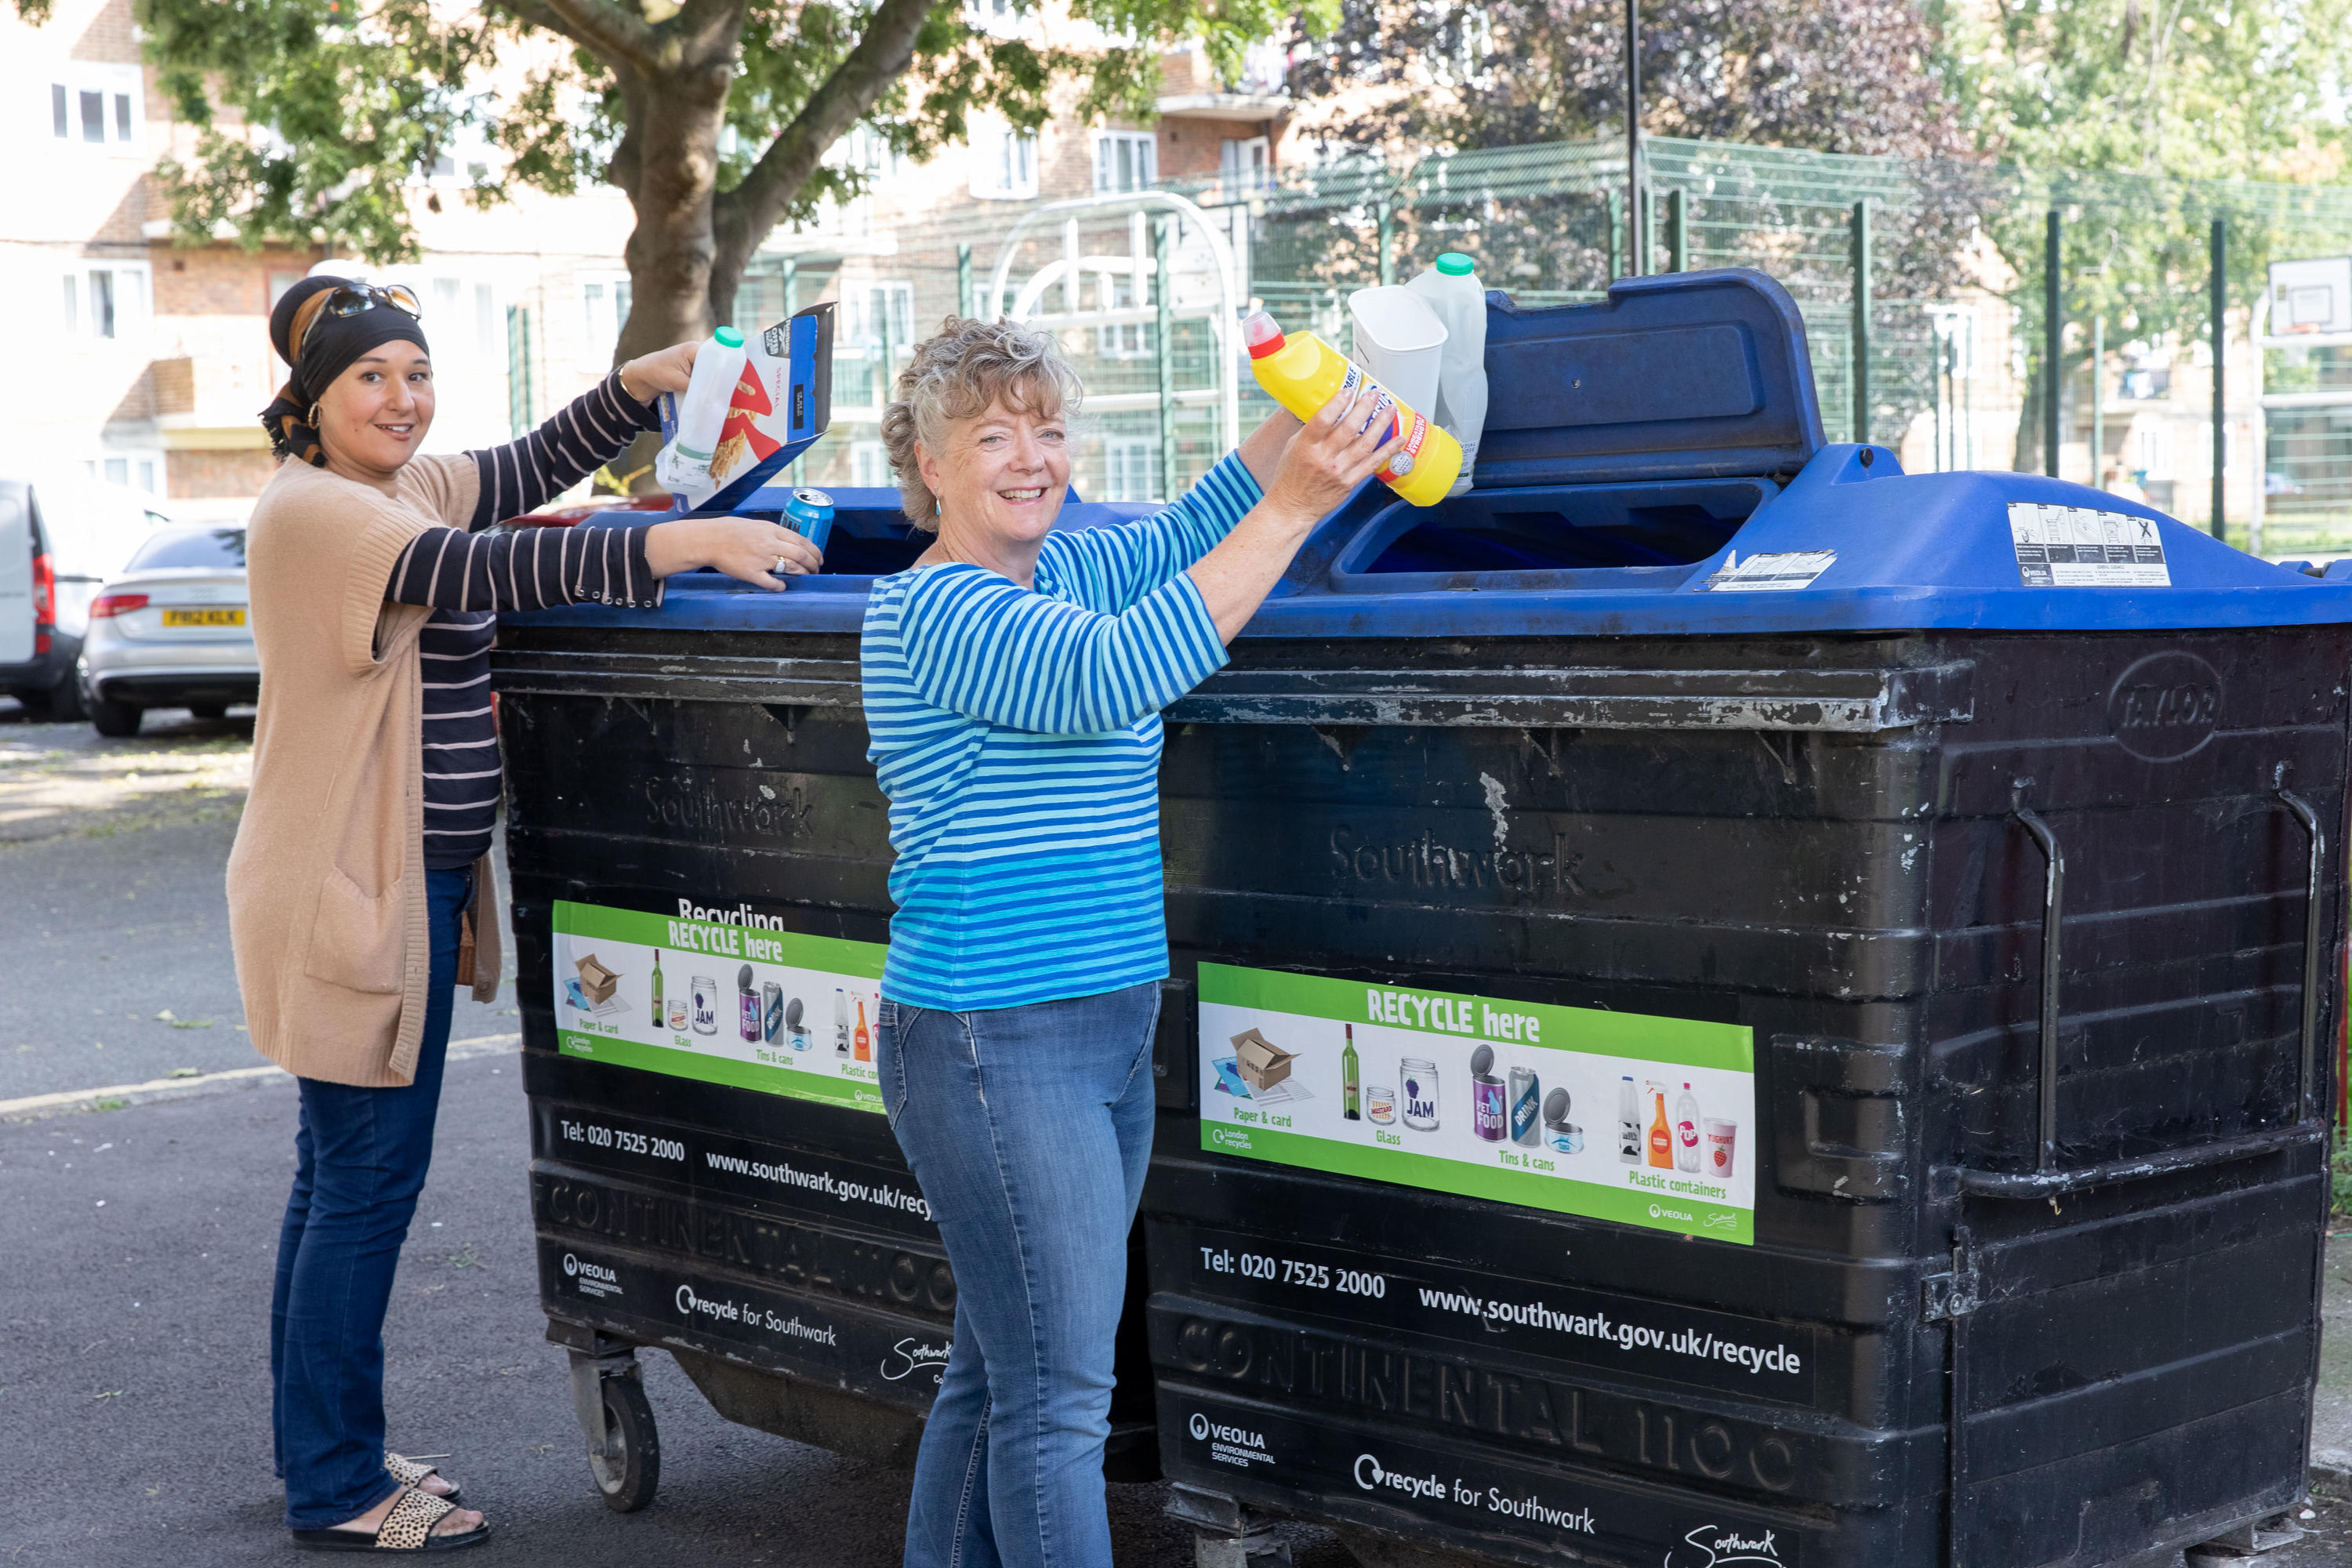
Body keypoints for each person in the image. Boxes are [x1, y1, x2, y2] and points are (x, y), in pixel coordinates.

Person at [229, 274, 822, 1552]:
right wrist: (680, 541)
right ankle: (334, 1486)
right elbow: (487, 559)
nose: (402, 399)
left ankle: (316, 1444)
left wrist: (630, 393)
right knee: (366, 1186)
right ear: (310, 402)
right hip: (351, 894)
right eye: (369, 379)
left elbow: (503, 478)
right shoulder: (319, 513)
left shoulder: (391, 484)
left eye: (415, 372)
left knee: (334, 1177)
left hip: (390, 885)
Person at [862, 315, 1398, 1568]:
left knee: (1001, 1375)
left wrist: (1315, 388)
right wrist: (1302, 506)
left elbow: (1194, 527)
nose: (1031, 458)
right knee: (1055, 1406)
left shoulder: (1068, 570)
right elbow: (1113, 675)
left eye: (1048, 430)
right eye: (992, 435)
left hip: (1103, 1027)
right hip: (992, 1038)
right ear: (929, 464)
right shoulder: (933, 609)